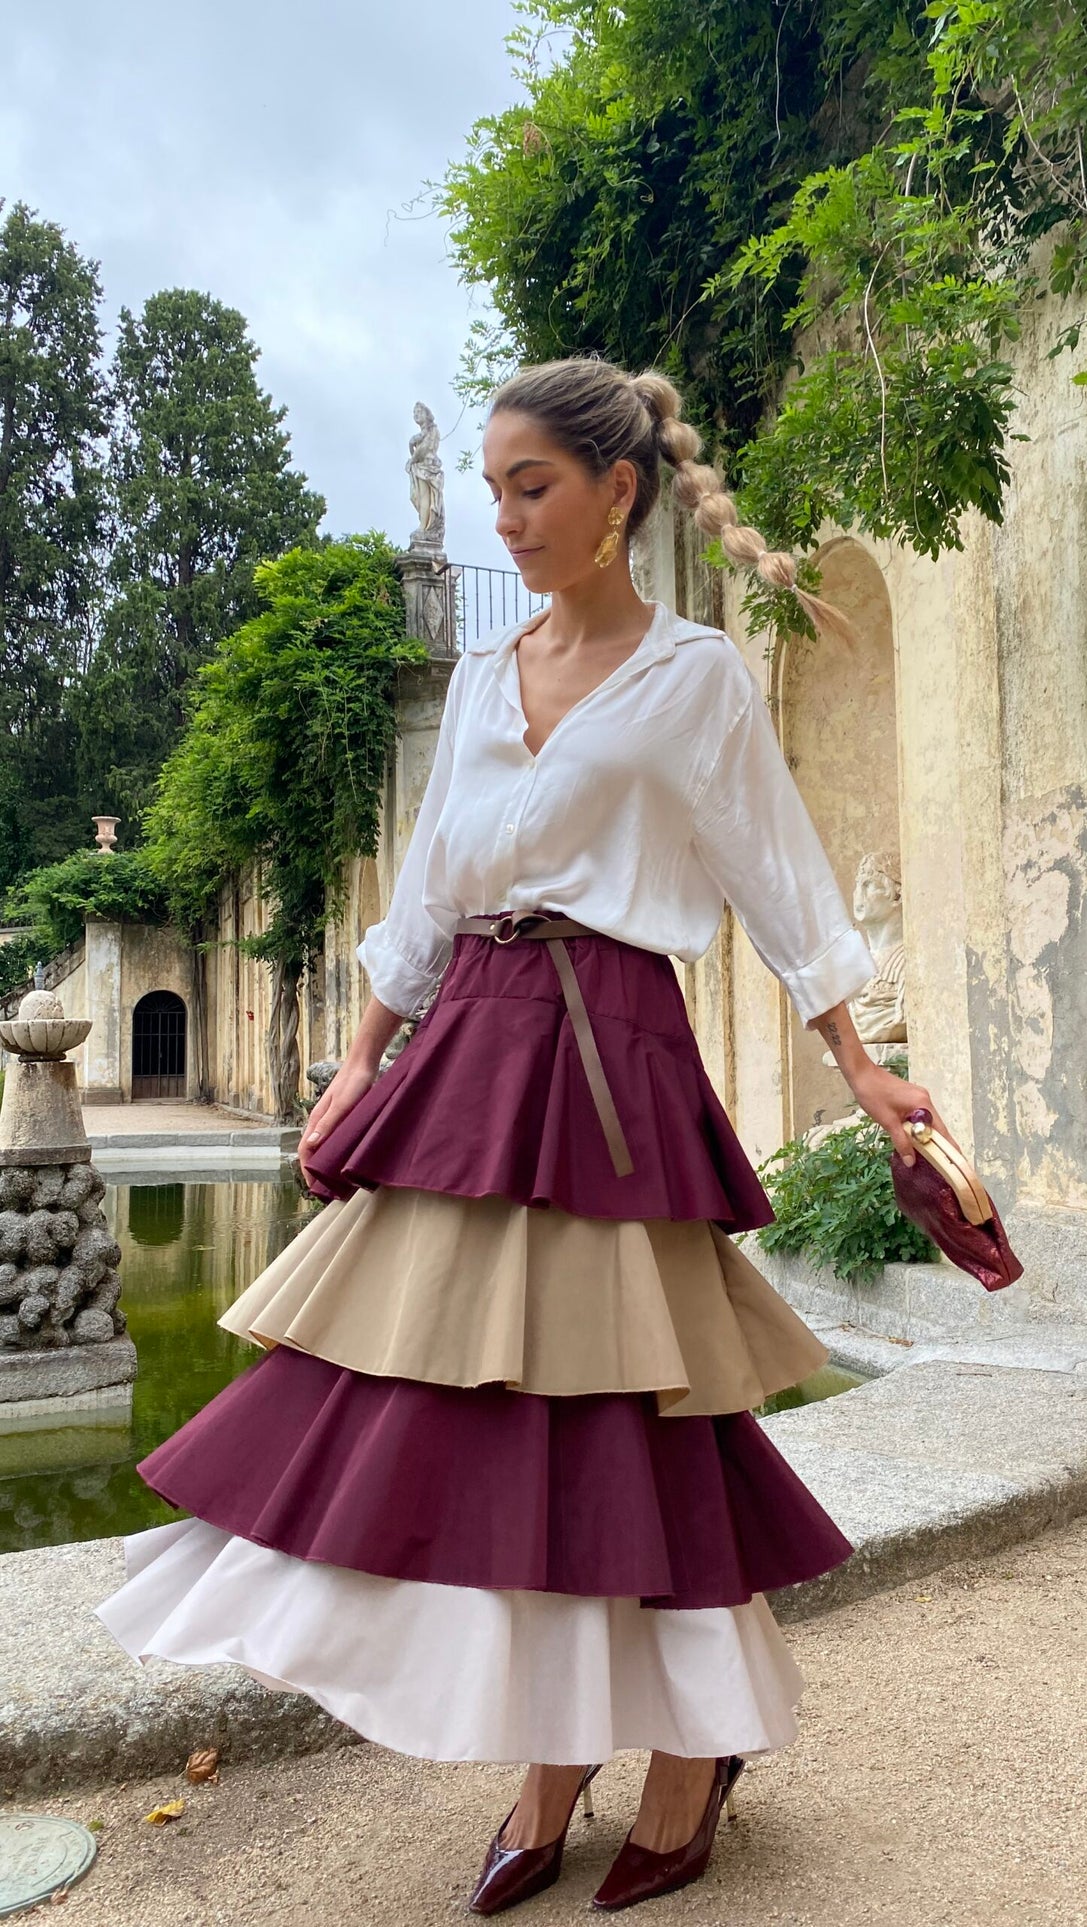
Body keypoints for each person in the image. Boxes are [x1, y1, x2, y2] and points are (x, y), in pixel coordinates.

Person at [95, 357, 947, 1915]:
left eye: (531, 485)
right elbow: (425, 891)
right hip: (474, 1054)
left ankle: (685, 1760)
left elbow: (779, 877)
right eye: (492, 488)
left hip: (613, 1059)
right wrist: (358, 1067)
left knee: (623, 1417)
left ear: (617, 491)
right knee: (468, 1411)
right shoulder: (486, 680)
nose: (507, 515)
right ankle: (553, 1760)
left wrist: (864, 1064)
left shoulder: (691, 675)